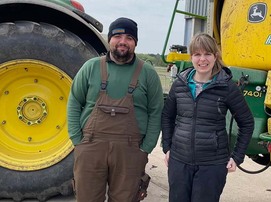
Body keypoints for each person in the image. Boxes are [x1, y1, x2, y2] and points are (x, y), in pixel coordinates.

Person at [67, 17, 164, 202]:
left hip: (130, 150)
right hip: (90, 146)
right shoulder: (91, 67)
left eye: (129, 37)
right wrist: (77, 139)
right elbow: (74, 102)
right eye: (118, 36)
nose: (123, 41)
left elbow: (156, 111)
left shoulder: (148, 73)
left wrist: (145, 148)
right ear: (109, 39)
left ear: (135, 42)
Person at [161, 33, 254, 202]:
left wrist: (237, 156)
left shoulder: (227, 87)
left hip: (212, 165)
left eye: (207, 54)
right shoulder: (179, 84)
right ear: (191, 57)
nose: (202, 59)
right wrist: (167, 146)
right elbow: (167, 116)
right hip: (179, 161)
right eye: (197, 54)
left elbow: (247, 123)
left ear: (215, 56)